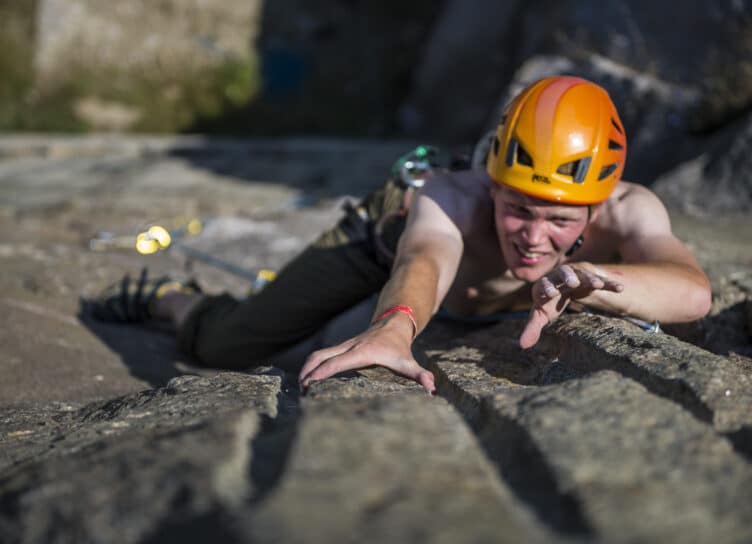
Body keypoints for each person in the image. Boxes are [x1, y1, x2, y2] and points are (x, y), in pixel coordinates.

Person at [92, 76, 712, 394]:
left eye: (561, 220)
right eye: (518, 208)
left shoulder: (629, 209)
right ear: (491, 183)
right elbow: (425, 256)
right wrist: (395, 327)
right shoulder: (451, 195)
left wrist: (603, 283)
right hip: (381, 240)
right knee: (225, 347)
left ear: (597, 204)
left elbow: (692, 292)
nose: (532, 236)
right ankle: (177, 298)